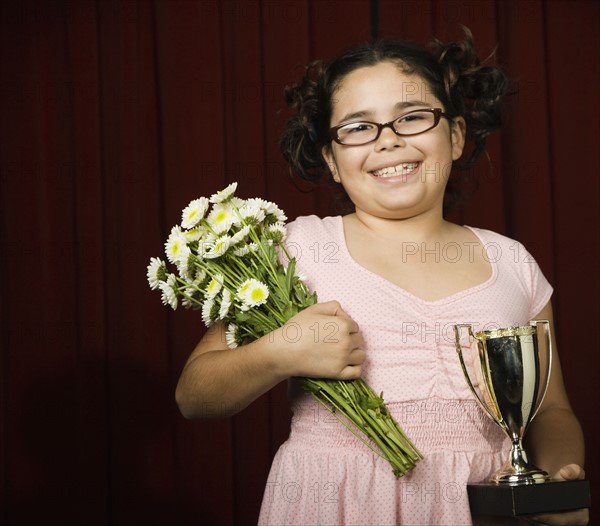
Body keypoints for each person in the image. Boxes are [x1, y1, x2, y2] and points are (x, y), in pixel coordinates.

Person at [176, 29, 588, 526]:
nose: (388, 139)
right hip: (334, 505)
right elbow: (194, 394)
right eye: (357, 127)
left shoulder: (513, 264)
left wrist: (559, 480)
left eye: (412, 117)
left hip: (484, 509)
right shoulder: (296, 250)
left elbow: (550, 411)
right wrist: (280, 349)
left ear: (455, 136)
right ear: (331, 159)